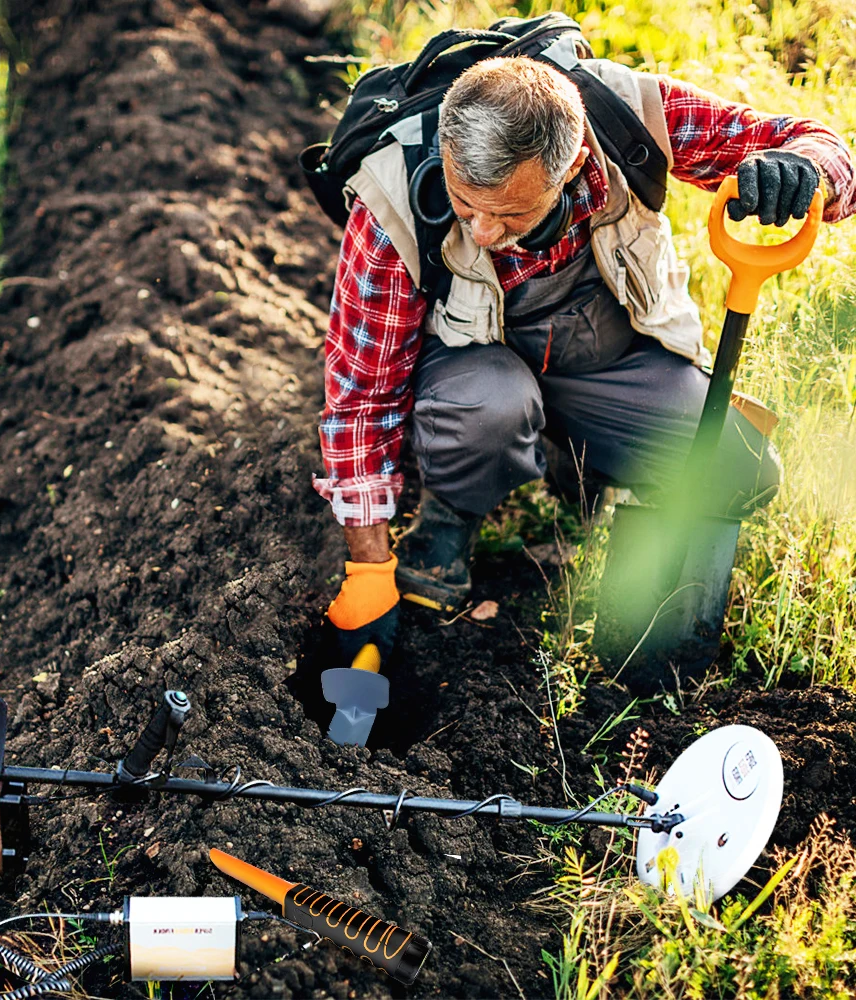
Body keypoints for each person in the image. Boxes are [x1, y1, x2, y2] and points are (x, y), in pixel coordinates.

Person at [313, 53, 855, 669]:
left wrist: (807, 170)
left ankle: (585, 473)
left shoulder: (630, 117)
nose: (485, 232)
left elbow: (825, 147)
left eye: (512, 213)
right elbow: (360, 398)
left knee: (739, 466)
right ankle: (451, 511)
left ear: (570, 165)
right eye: (467, 206)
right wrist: (367, 569)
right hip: (476, 369)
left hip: (607, 359)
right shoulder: (392, 195)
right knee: (490, 408)